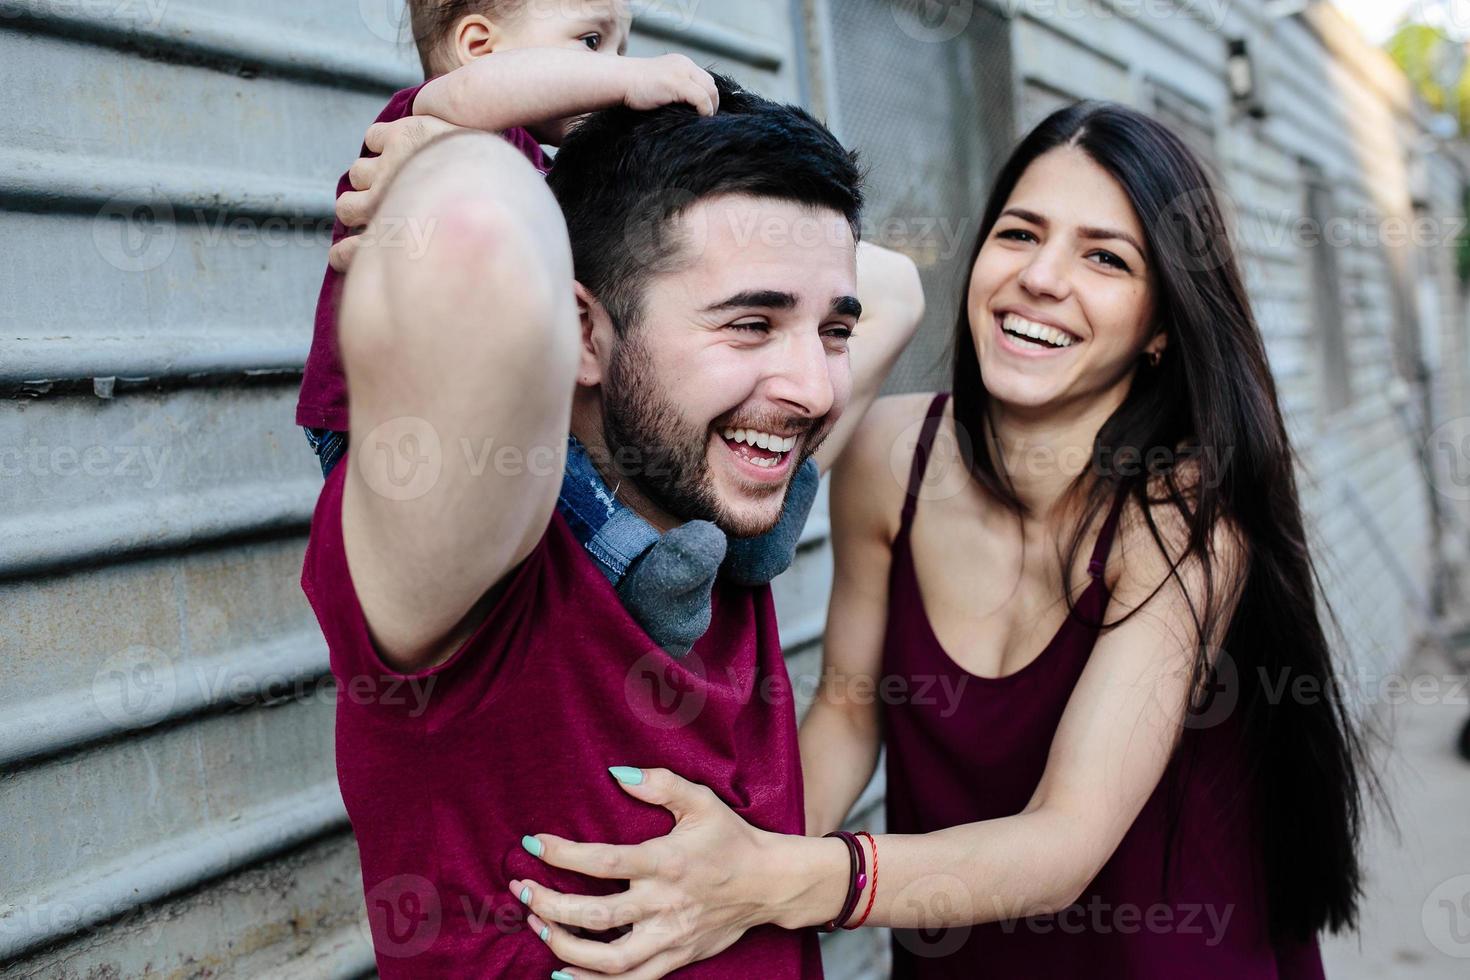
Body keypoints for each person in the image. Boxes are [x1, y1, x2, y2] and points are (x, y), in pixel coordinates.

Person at [512, 102, 1370, 980]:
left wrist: (773, 880)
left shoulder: (1182, 517)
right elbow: (849, 712)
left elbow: (1065, 842)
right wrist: (706, 875)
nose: (1041, 277)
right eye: (1018, 233)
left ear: (1159, 328)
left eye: (1105, 257)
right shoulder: (891, 455)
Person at [301, 74, 921, 977]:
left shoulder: (719, 494)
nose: (818, 389)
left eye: (831, 328)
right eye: (751, 322)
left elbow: (896, 286)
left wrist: (668, 126)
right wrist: (485, 116)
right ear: (580, 335)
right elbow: (476, 234)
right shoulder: (475, 551)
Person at [299, 0, 718, 475]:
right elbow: (474, 93)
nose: (615, 68)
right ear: (480, 49)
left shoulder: (542, 166)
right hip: (386, 413)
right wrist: (632, 80)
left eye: (622, 50)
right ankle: (630, 553)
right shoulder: (435, 117)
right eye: (591, 42)